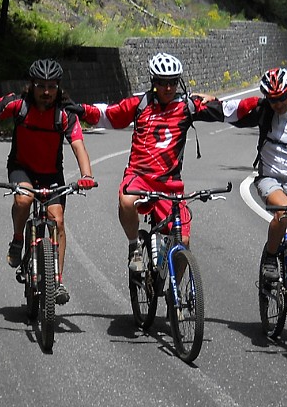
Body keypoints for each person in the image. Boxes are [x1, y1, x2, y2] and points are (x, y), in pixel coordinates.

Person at [0, 58, 95, 304]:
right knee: (24, 200)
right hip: (21, 168)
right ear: (31, 85)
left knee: (58, 220)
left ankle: (56, 281)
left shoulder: (65, 113)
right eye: (41, 86)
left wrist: (86, 175)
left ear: (59, 87)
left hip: (51, 173)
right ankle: (17, 239)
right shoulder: (18, 105)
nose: (46, 92)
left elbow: (78, 145)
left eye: (52, 86)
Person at [66, 52, 224, 272]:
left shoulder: (187, 106)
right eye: (162, 82)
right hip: (138, 176)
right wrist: (83, 110)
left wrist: (213, 99)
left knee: (183, 243)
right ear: (153, 82)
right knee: (126, 201)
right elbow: (109, 115)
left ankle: (174, 299)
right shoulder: (140, 104)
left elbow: (228, 111)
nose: (168, 88)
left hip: (169, 182)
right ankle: (134, 247)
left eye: (172, 82)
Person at [220, 67, 287, 282]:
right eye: (272, 99)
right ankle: (270, 256)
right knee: (284, 212)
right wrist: (205, 104)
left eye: (282, 98)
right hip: (270, 179)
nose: (278, 104)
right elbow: (229, 114)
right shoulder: (264, 112)